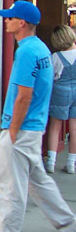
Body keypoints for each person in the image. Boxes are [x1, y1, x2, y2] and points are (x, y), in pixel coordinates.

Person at [0, 1, 76, 232]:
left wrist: (12, 130)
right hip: (33, 129)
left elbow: (24, 95)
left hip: (20, 130)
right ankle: (71, 229)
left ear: (21, 22)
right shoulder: (40, 48)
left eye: (10, 18)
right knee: (39, 182)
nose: (6, 21)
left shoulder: (26, 52)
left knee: (11, 188)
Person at [45, 24, 76, 174]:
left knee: (55, 125)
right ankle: (71, 163)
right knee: (74, 127)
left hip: (60, 91)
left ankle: (51, 161)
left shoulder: (56, 57)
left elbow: (51, 77)